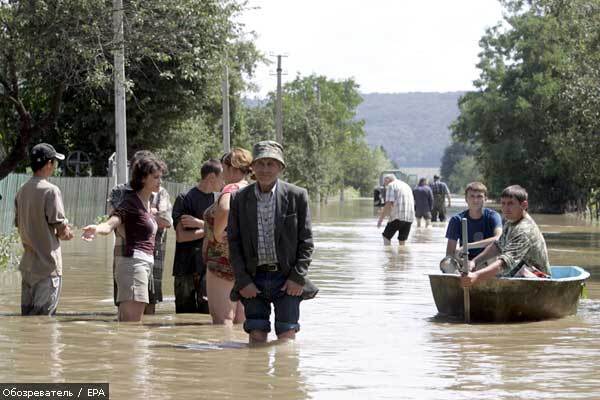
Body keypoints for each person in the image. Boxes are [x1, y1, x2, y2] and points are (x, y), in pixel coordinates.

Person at [228, 140, 317, 344]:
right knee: (256, 336)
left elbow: (307, 242)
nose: (265, 169)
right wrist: (243, 281)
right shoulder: (239, 199)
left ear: (280, 167)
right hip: (253, 277)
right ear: (252, 167)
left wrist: (297, 277)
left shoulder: (297, 196)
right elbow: (234, 244)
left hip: (287, 279)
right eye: (261, 163)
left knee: (286, 338)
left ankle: (285, 377)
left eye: (271, 164)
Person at [82, 155, 167, 322]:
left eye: (160, 177)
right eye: (156, 177)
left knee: (129, 326)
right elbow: (111, 224)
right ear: (143, 178)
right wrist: (96, 228)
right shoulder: (131, 203)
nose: (160, 181)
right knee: (132, 327)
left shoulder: (147, 203)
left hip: (141, 264)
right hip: (134, 264)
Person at [107, 150, 172, 315]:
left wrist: (148, 216)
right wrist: (147, 215)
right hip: (127, 254)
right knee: (126, 303)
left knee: (150, 301)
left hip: (154, 255)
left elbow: (166, 221)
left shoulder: (160, 192)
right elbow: (115, 220)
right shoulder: (119, 192)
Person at [14, 143, 74, 315]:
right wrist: (68, 232)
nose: (55, 166)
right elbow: (61, 230)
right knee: (44, 325)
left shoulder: (21, 191)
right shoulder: (51, 191)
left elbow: (20, 224)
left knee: (28, 323)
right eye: (54, 162)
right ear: (48, 164)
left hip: (28, 268)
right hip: (47, 268)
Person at [461, 185, 550, 288]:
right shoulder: (510, 221)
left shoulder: (524, 230)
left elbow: (505, 262)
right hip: (523, 271)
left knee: (501, 267)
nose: (505, 208)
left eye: (510, 203)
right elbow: (497, 246)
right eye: (503, 203)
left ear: (524, 205)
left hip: (540, 279)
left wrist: (476, 276)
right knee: (493, 263)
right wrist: (474, 261)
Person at [203, 149, 252, 325]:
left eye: (223, 168)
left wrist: (216, 234)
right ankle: (244, 353)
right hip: (246, 261)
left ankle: (224, 353)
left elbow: (225, 208)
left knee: (223, 320)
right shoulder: (252, 189)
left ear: (232, 168)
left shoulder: (232, 187)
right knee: (242, 321)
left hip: (222, 260)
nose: (222, 173)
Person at [171, 159, 223, 314]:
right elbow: (181, 236)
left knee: (208, 317)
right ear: (212, 177)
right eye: (222, 177)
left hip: (209, 267)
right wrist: (211, 229)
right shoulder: (184, 198)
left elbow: (224, 232)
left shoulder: (219, 201)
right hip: (185, 267)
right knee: (183, 317)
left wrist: (200, 224)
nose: (224, 182)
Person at [445, 182, 502, 260]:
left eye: (479, 196)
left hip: (487, 260)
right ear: (466, 199)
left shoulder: (493, 216)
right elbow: (450, 253)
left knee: (495, 258)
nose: (475, 200)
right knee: (446, 263)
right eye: (472, 196)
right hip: (465, 261)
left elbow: (498, 238)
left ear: (485, 199)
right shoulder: (456, 220)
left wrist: (467, 246)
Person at [377, 174, 415, 245]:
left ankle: (389, 255)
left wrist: (380, 220)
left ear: (387, 180)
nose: (385, 185)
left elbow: (388, 204)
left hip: (398, 216)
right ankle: (402, 255)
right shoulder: (406, 185)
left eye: (385, 183)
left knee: (386, 237)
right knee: (402, 241)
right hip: (409, 218)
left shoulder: (391, 185)